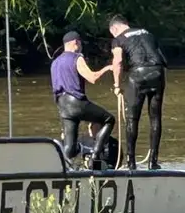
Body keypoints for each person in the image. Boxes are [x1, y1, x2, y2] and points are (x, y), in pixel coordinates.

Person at [50, 31, 117, 168]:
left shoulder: (55, 63)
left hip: (62, 105)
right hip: (76, 102)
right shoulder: (77, 57)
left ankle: (64, 169)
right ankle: (95, 155)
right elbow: (92, 78)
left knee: (69, 146)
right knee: (109, 119)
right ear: (75, 43)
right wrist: (107, 68)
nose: (81, 46)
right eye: (80, 43)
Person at [108, 15, 167, 170]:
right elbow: (159, 54)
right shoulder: (147, 33)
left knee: (132, 119)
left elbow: (118, 62)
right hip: (157, 72)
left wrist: (116, 85)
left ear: (115, 28)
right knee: (155, 117)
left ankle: (131, 162)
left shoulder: (118, 39)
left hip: (138, 74)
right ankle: (153, 162)